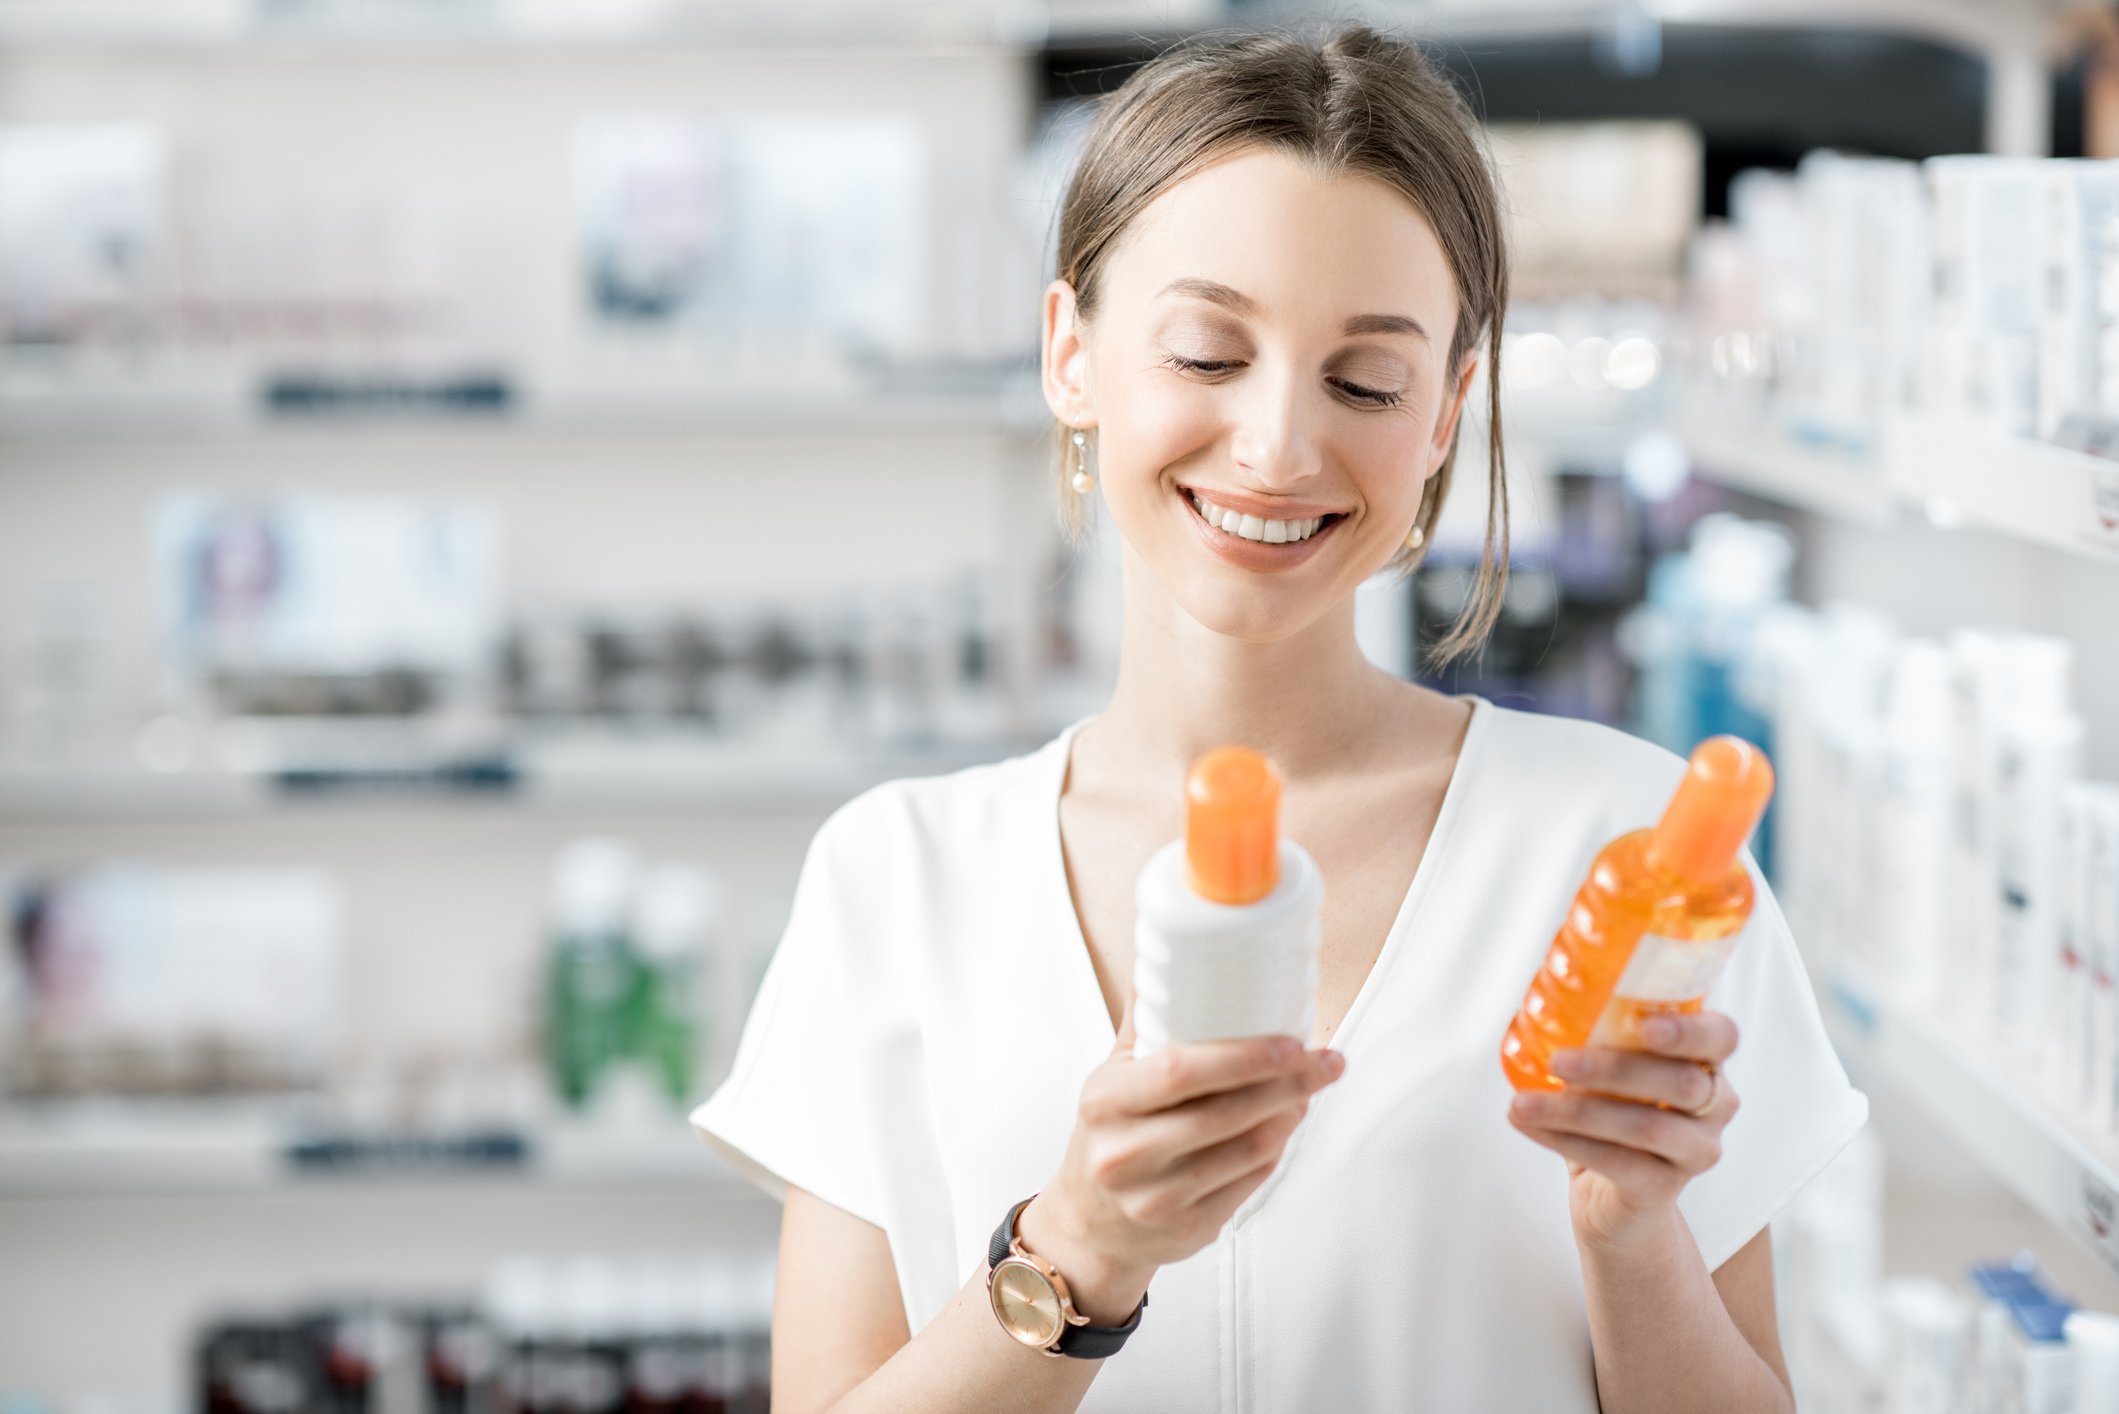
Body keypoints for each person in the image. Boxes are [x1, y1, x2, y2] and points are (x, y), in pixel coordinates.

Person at [694, 24, 1866, 1413]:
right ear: (1071, 353)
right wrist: (1077, 1252)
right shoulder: (896, 879)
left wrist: (1635, 1234)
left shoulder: (1629, 852)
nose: (1277, 446)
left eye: (1365, 381)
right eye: (1205, 351)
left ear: (1446, 412)